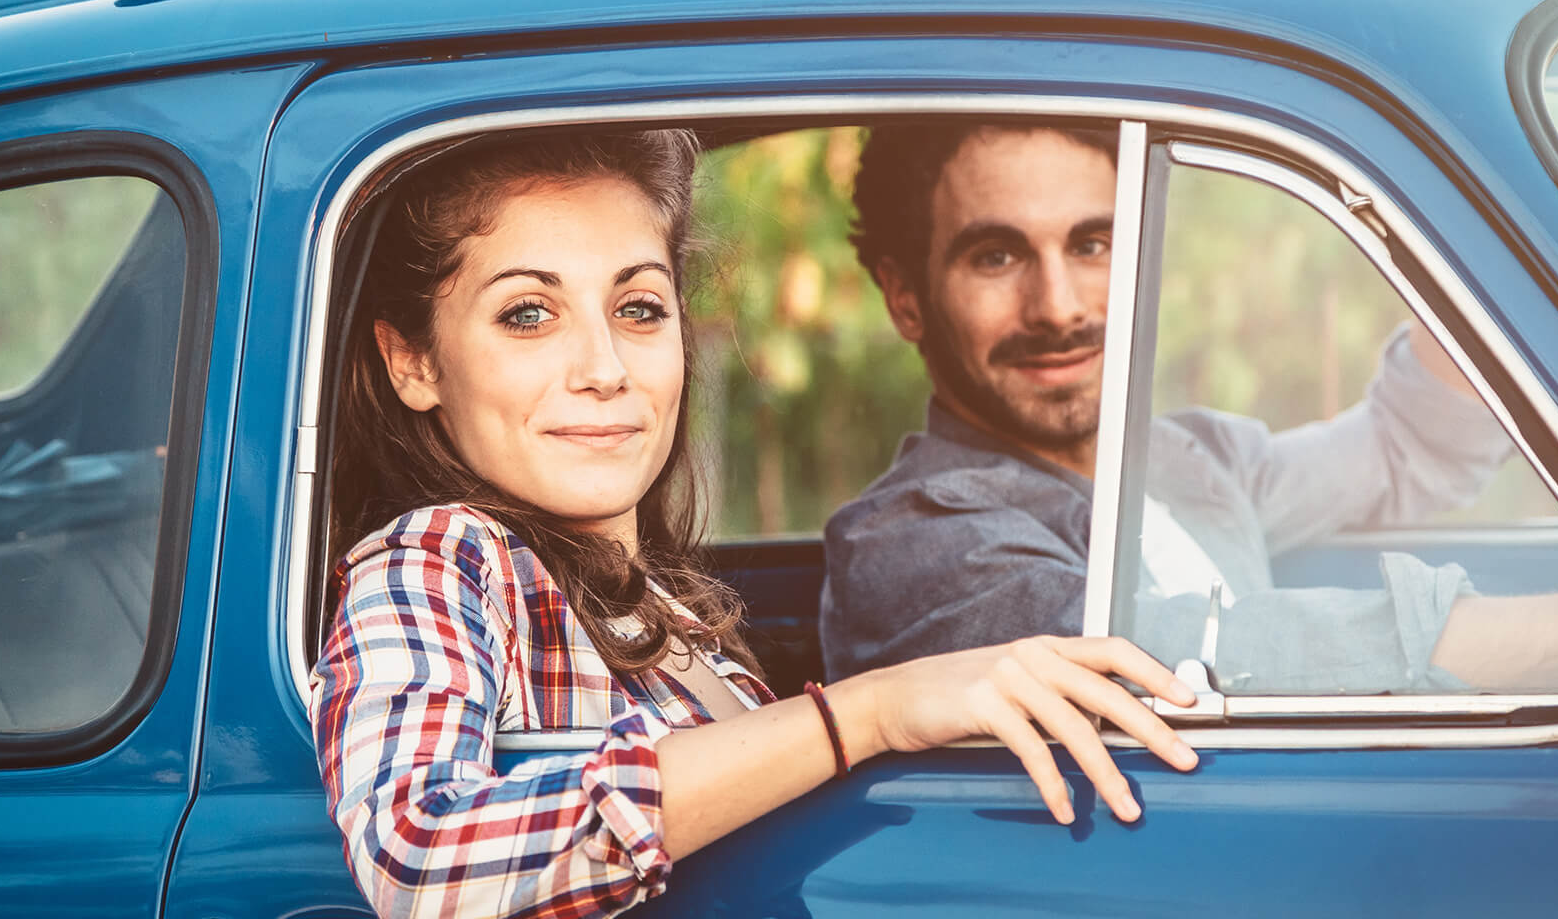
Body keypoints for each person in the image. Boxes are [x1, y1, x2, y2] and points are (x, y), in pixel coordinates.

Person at [310, 129, 1199, 919]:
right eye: (528, 315)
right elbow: (420, 855)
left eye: (638, 308)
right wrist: (870, 714)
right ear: (414, 360)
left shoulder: (673, 613)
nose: (605, 367)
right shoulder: (438, 558)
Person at [820, 122, 1558, 694]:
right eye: (996, 256)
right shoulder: (905, 545)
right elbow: (1187, 661)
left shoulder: (1191, 459)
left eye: (1092, 245)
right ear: (906, 298)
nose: (1059, 306)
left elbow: (1404, 448)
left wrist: (1483, 225)